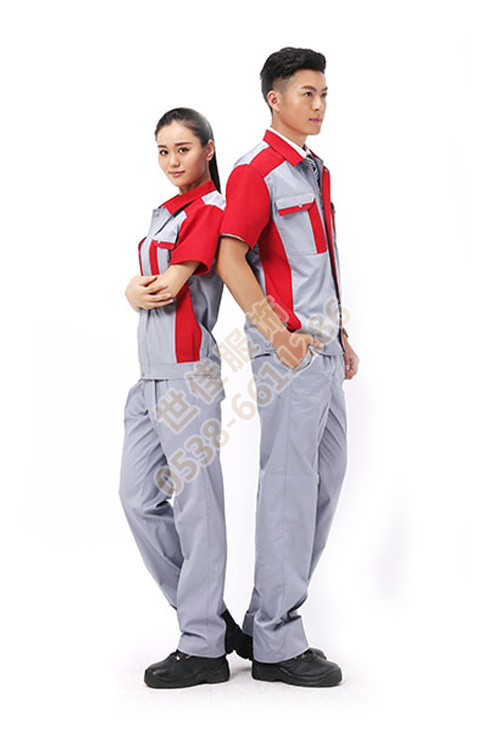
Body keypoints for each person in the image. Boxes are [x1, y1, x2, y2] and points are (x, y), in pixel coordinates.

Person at [217, 48, 360, 687]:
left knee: (323, 483)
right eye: (308, 94)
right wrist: (278, 332)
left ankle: (268, 617)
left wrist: (341, 334)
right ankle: (276, 640)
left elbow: (315, 264)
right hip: (290, 353)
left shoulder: (314, 170)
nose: (320, 105)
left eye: (324, 94)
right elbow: (231, 258)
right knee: (288, 486)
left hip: (324, 348)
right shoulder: (257, 170)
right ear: (275, 98)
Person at [119, 107, 248, 689]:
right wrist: (132, 289)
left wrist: (135, 289)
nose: (173, 161)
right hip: (148, 379)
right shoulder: (166, 212)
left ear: (208, 150)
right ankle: (208, 614)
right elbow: (143, 287)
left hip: (187, 377)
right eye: (164, 151)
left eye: (184, 149)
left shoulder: (210, 208)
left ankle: (202, 646)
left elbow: (169, 285)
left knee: (197, 506)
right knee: (137, 498)